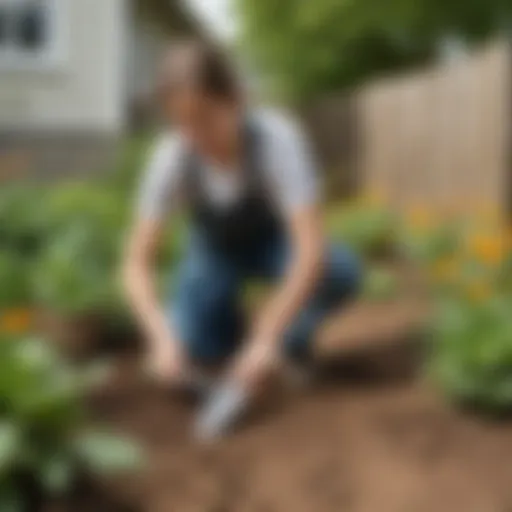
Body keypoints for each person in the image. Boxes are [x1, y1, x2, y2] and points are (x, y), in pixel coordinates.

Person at [123, 40, 361, 395]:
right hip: (214, 252)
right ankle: (233, 345)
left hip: (274, 244)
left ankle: (288, 344)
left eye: (205, 118)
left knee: (339, 271)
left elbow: (309, 250)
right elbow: (136, 263)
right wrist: (160, 337)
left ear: (236, 100)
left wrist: (269, 336)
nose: (195, 136)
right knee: (192, 343)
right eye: (182, 123)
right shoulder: (172, 157)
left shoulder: (278, 140)